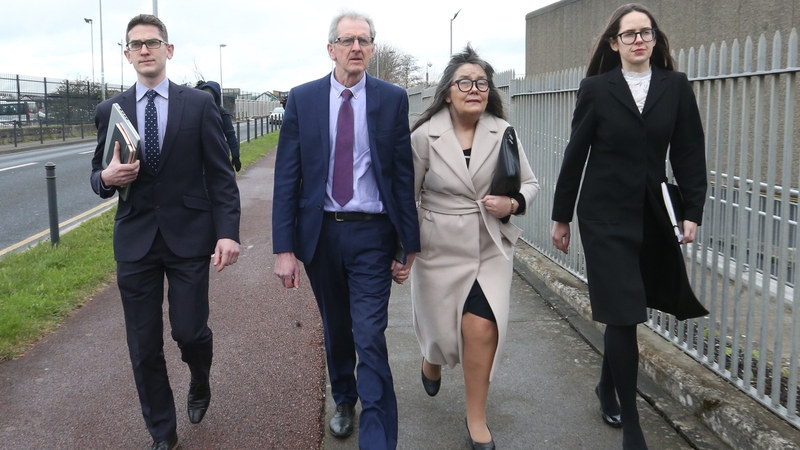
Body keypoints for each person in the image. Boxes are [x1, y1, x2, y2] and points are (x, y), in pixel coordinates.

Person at [550, 4, 708, 449]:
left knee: (627, 312)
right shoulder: (597, 89)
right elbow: (575, 155)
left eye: (646, 32)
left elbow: (689, 152)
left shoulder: (675, 87)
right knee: (624, 311)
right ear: (614, 43)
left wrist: (691, 211)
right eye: (629, 34)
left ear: (655, 40)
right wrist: (561, 217)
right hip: (603, 216)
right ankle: (634, 429)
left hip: (653, 214)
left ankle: (606, 387)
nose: (639, 40)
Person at [90, 14, 241, 450]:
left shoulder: (198, 105)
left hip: (190, 235)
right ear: (127, 54)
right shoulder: (110, 110)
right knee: (143, 346)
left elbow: (220, 176)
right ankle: (162, 432)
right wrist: (109, 178)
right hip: (135, 241)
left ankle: (199, 376)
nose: (144, 50)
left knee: (189, 332)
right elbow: (96, 179)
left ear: (167, 50)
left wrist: (227, 232)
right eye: (135, 44)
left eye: (152, 42)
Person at [271, 10, 420, 450]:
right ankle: (343, 397)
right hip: (321, 235)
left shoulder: (392, 99)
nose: (356, 47)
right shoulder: (303, 99)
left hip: (372, 234)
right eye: (347, 40)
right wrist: (284, 248)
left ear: (372, 49)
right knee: (337, 328)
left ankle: (377, 437)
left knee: (370, 334)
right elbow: (287, 177)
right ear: (331, 48)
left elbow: (401, 175)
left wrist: (407, 244)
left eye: (364, 40)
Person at [405, 45, 539, 450]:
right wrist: (404, 248)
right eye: (464, 82)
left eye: (482, 82)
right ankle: (431, 359)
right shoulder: (423, 137)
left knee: (481, 327)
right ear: (447, 92)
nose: (474, 89)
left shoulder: (503, 132)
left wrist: (512, 203)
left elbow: (530, 184)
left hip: (488, 246)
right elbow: (406, 196)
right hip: (437, 247)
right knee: (441, 333)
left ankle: (476, 418)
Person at [195, 80, 241, 172]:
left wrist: (236, 156)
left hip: (217, 156)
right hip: (202, 158)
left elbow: (230, 135)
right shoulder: (194, 112)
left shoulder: (221, 113)